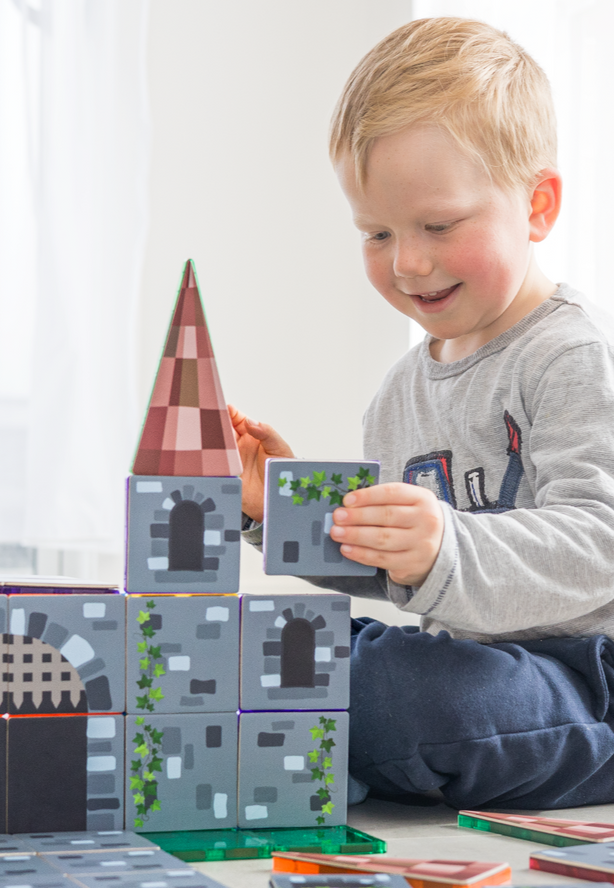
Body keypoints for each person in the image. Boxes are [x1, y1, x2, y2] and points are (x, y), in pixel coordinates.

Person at [230, 17, 614, 811]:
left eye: (438, 226)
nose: (408, 261)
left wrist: (447, 540)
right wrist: (281, 509)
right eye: (376, 232)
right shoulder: (400, 389)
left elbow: (598, 543)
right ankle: (368, 739)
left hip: (582, 671)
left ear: (538, 206)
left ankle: (383, 741)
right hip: (466, 658)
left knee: (411, 697)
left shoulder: (566, 355)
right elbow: (399, 573)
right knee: (270, 643)